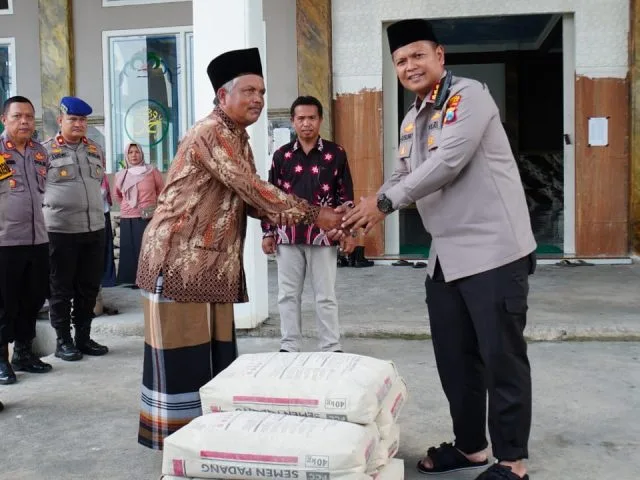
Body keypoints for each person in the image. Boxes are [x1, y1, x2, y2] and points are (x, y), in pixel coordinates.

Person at [341, 19, 536, 480]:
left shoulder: (469, 97)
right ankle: (470, 448)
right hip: (445, 257)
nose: (410, 66)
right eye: (400, 61)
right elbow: (401, 174)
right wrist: (363, 212)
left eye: (418, 56)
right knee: (455, 359)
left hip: (494, 252)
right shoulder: (412, 118)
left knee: (501, 358)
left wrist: (383, 204)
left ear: (440, 55)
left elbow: (448, 162)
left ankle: (512, 462)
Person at [135, 47, 343, 450]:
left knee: (212, 360)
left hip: (209, 266)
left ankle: (209, 443)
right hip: (178, 262)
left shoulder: (238, 138)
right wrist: (314, 214)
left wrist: (314, 216)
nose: (258, 99)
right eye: (249, 90)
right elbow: (252, 188)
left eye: (262, 92)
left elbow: (249, 200)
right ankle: (180, 449)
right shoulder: (211, 132)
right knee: (183, 362)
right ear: (222, 95)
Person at [261, 95, 356, 353]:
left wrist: (347, 231)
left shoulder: (336, 154)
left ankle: (331, 346)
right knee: (287, 295)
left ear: (320, 120)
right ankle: (290, 345)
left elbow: (345, 196)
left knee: (325, 295)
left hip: (324, 236)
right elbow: (270, 198)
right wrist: (268, 232)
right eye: (301, 118)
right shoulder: (281, 156)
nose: (306, 123)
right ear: (293, 121)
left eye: (312, 118)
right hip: (287, 236)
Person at [42, 96, 110, 362]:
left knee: (89, 287)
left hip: (94, 228)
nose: (79, 124)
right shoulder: (44, 151)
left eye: (82, 120)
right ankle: (63, 341)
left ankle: (83, 337)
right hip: (60, 230)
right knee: (60, 289)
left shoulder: (95, 149)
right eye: (73, 119)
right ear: (61, 120)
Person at [0, 96, 53, 385]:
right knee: (4, 305)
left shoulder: (40, 152)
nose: (24, 121)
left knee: (32, 299)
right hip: (5, 242)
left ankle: (23, 353)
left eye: (29, 117)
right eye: (17, 116)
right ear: (4, 119)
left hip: (37, 239)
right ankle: (2, 360)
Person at [114, 143, 163, 287]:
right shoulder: (122, 174)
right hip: (128, 215)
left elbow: (161, 190)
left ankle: (148, 278)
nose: (134, 155)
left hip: (148, 214)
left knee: (147, 247)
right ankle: (131, 279)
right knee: (129, 248)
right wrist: (129, 206)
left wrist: (154, 206)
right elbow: (117, 195)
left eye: (137, 152)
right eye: (130, 152)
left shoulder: (151, 171)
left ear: (141, 154)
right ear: (126, 155)